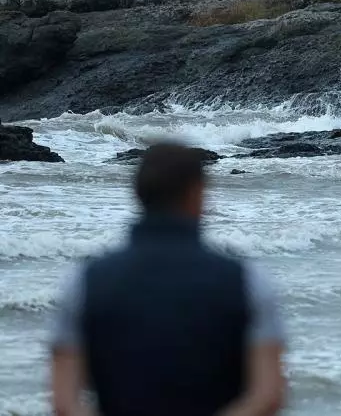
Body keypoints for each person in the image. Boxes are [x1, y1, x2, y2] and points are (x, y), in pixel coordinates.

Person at [48, 142, 287, 416]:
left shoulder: (84, 281)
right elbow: (268, 395)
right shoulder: (247, 280)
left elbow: (65, 403)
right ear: (198, 193)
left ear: (137, 195)